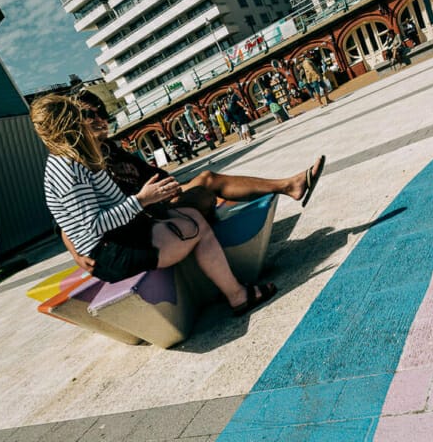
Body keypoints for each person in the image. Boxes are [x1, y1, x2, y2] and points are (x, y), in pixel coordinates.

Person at [33, 94, 280, 315]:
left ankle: (228, 289)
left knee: (190, 215)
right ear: (67, 125)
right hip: (111, 253)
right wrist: (142, 200)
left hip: (124, 236)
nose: (86, 120)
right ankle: (237, 295)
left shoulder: (75, 159)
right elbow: (94, 224)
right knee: (197, 227)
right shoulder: (68, 167)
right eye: (78, 116)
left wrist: (149, 201)